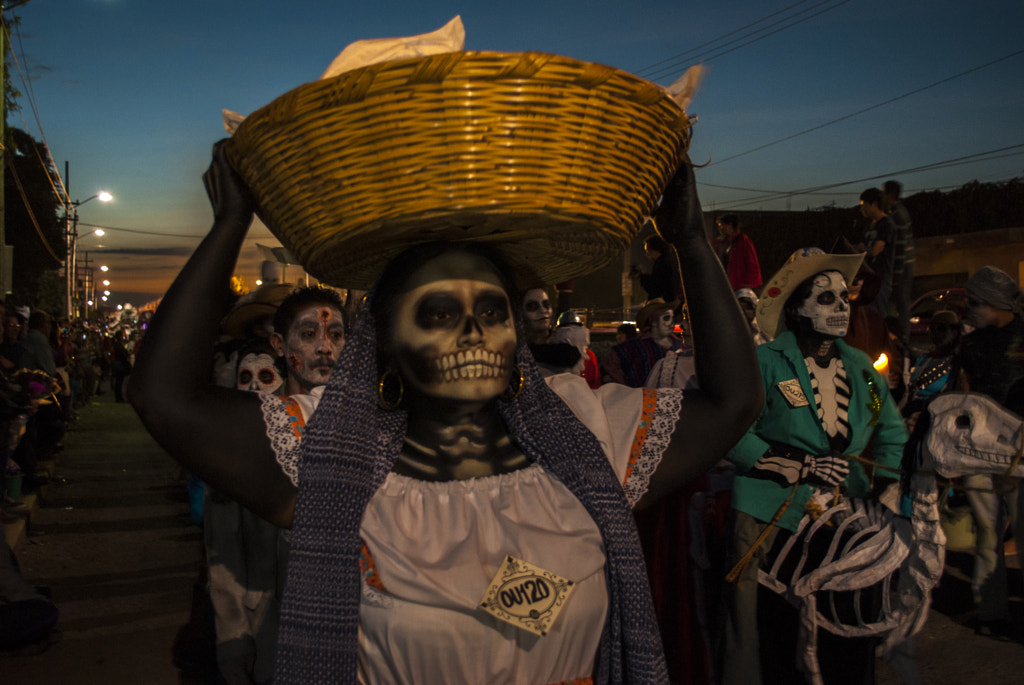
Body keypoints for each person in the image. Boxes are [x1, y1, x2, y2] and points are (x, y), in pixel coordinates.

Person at [128, 143, 762, 684]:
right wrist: (228, 227)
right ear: (386, 343)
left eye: (492, 312)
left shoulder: (585, 436)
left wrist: (691, 242)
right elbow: (164, 398)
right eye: (436, 314)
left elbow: (734, 402)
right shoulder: (333, 454)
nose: (472, 334)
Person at [720, 247, 908, 685]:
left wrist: (886, 484)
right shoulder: (764, 365)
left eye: (844, 298)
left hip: (845, 515)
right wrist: (798, 465)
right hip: (770, 513)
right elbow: (733, 433)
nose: (842, 306)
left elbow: (888, 426)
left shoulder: (863, 371)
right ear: (796, 308)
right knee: (759, 623)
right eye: (826, 298)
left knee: (843, 626)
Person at [956, 265, 1024, 641]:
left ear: (996, 302)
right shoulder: (970, 343)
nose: (970, 308)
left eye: (975, 301)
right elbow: (963, 390)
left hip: (1020, 452)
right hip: (981, 451)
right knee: (987, 533)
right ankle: (990, 612)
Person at [603, 298, 684, 388]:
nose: (671, 323)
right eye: (666, 318)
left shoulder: (681, 345)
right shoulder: (631, 348)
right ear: (653, 321)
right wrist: (629, 391)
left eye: (672, 318)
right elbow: (611, 367)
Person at [883, 180, 915, 343]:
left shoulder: (897, 215)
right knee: (900, 305)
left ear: (890, 194)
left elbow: (900, 247)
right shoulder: (899, 212)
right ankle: (900, 338)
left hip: (902, 268)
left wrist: (896, 275)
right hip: (905, 266)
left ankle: (902, 341)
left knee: (901, 305)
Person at [858, 188, 896, 319]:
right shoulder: (869, 226)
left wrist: (862, 250)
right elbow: (863, 246)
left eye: (864, 205)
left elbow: (875, 250)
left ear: (874, 204)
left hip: (881, 278)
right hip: (867, 277)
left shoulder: (886, 224)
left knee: (879, 315)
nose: (862, 209)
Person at [715, 214, 762, 291]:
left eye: (722, 225)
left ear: (730, 225)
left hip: (740, 287)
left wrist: (748, 283)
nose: (720, 228)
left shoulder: (743, 240)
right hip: (729, 285)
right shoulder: (724, 242)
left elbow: (752, 263)